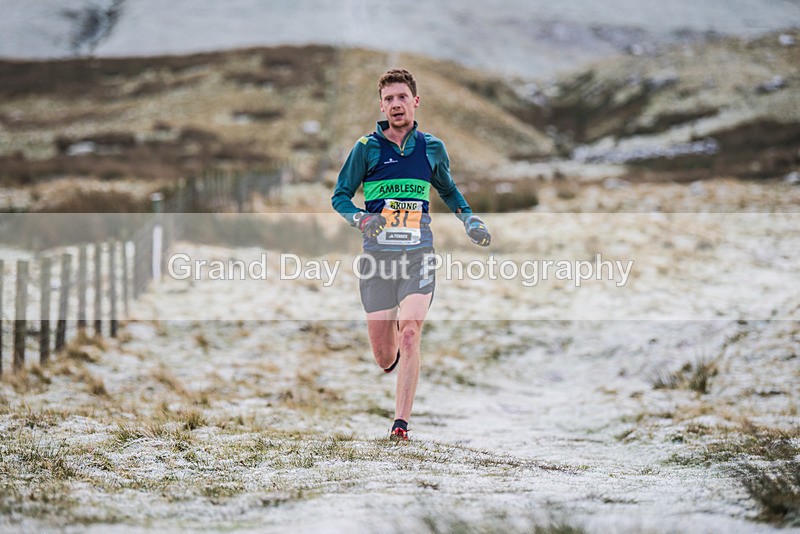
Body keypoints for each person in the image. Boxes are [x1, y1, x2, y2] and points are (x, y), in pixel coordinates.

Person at [331, 68, 491, 441]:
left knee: (411, 331)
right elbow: (340, 195)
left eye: (402, 97)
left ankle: (400, 424)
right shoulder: (366, 148)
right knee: (385, 355)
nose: (396, 104)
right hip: (377, 260)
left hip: (419, 253)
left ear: (415, 101)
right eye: (389, 99)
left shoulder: (432, 147)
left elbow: (449, 191)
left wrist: (469, 220)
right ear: (381, 105)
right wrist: (360, 218)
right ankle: (399, 362)